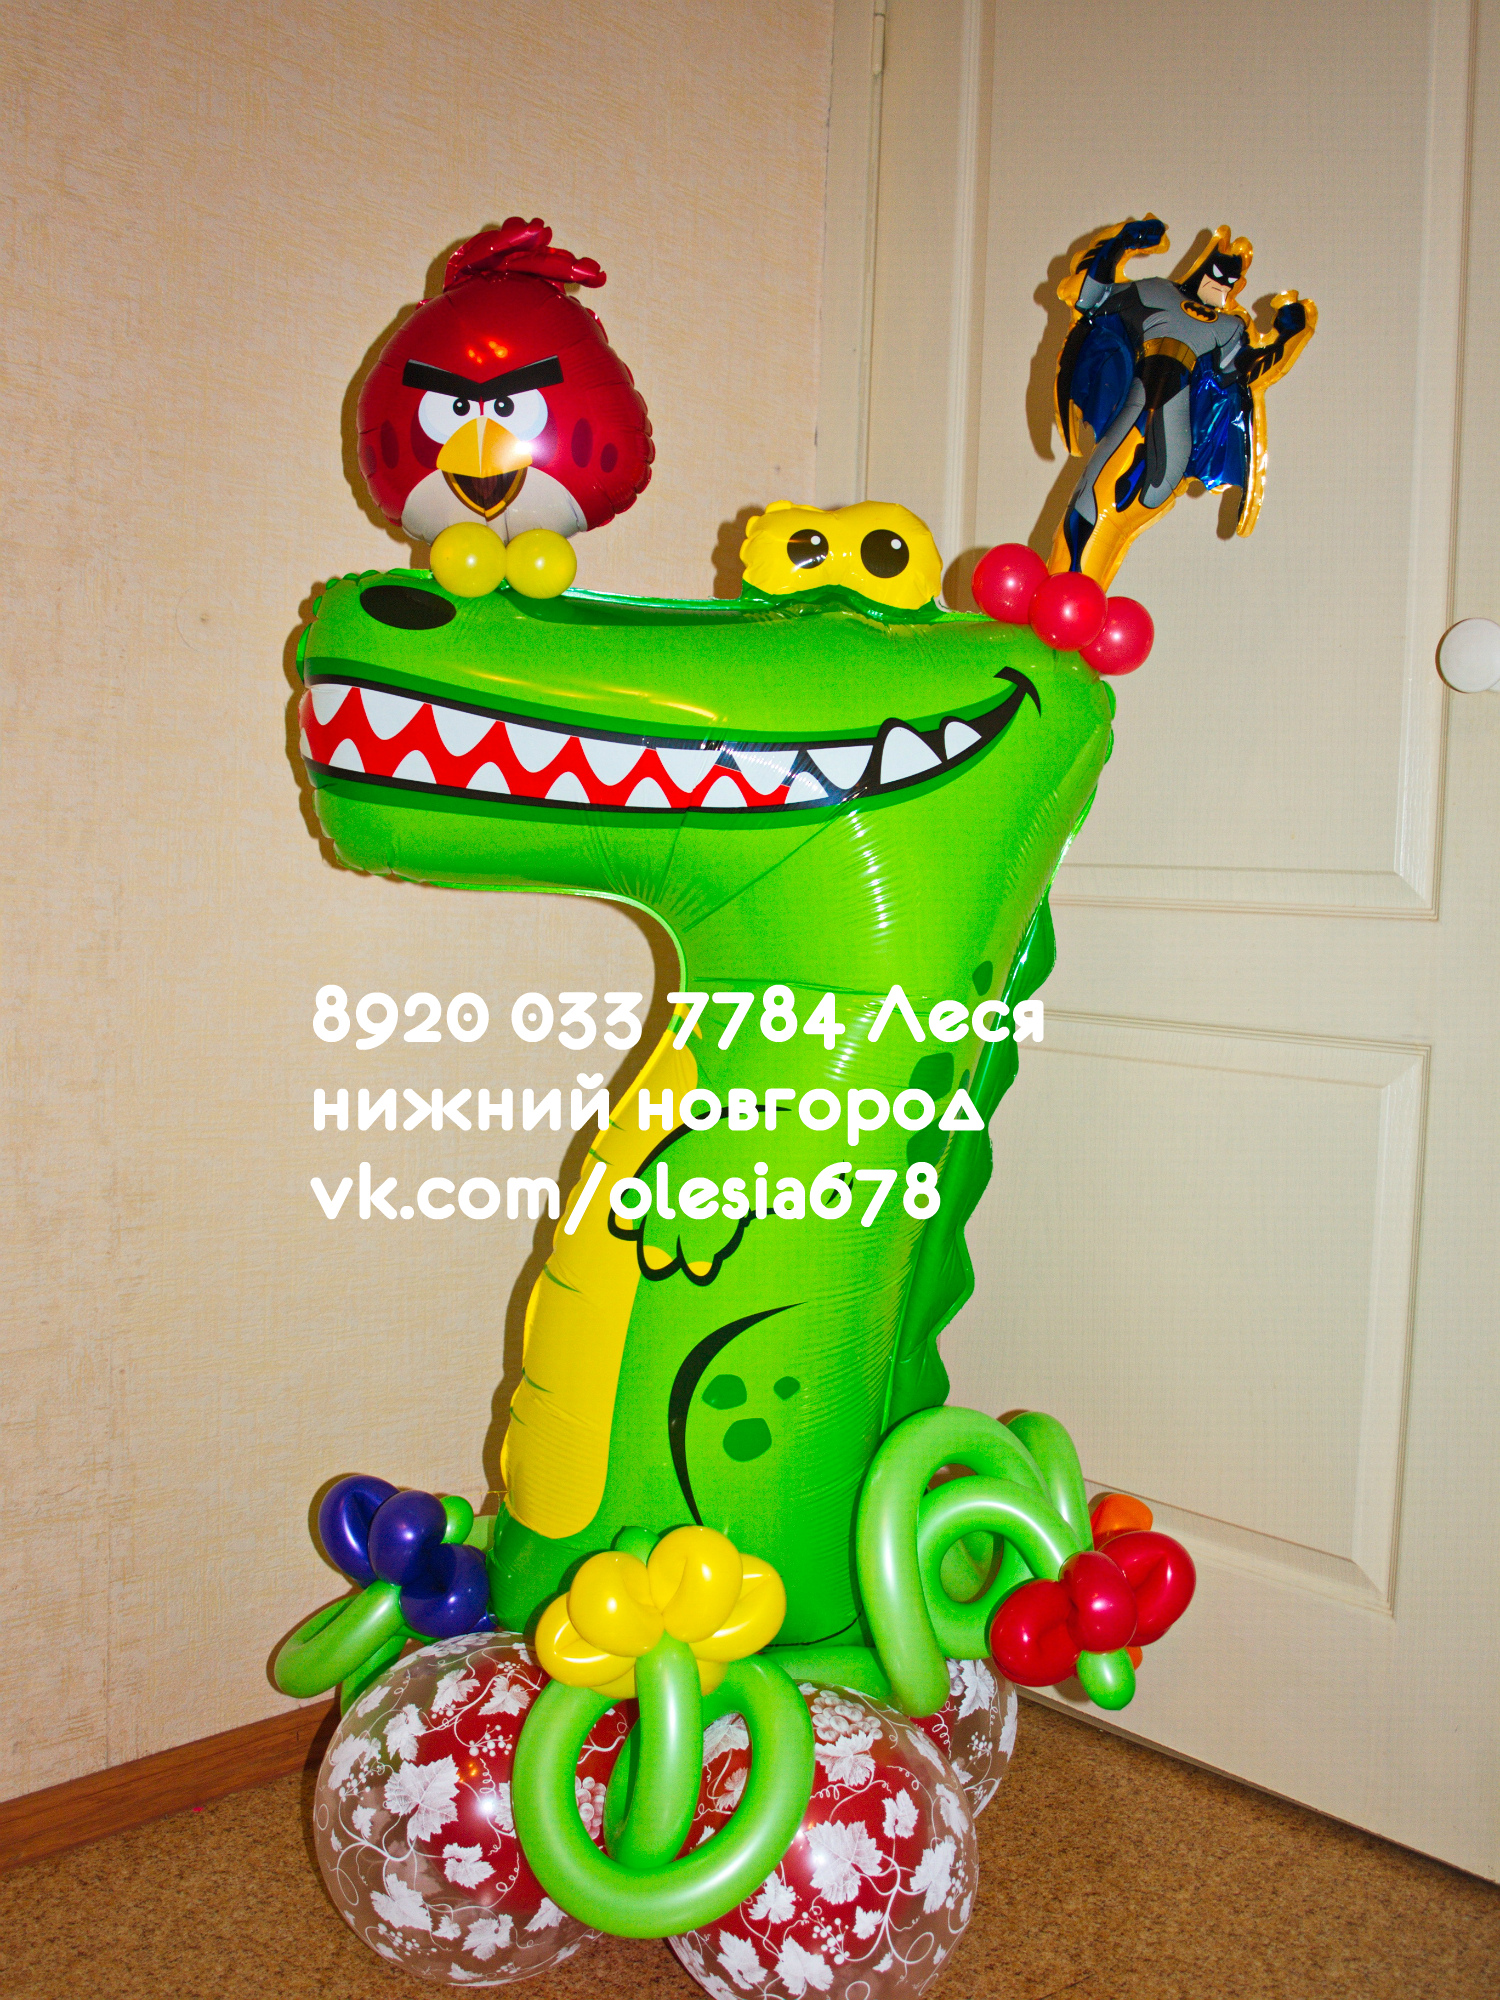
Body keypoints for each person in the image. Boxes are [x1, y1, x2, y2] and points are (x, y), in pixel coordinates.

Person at [1050, 218, 1316, 586]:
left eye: (1232, 279)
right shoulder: (1155, 292)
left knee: (1143, 496)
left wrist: (1289, 333)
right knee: (1093, 498)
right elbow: (1089, 297)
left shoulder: (1228, 328)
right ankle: (1067, 589)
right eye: (1219, 273)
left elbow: (1249, 370)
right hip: (1136, 404)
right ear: (1205, 266)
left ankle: (1075, 596)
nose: (1223, 284)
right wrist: (1120, 243)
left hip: (1174, 420)